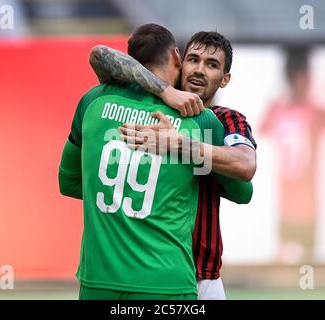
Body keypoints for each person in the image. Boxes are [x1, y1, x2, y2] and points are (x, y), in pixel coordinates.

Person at [59, 24, 253, 300]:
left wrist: (179, 146)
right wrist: (165, 91)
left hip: (201, 274)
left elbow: (245, 175)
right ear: (179, 60)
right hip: (171, 275)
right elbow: (101, 56)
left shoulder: (220, 120)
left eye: (211, 64)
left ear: (225, 78)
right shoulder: (195, 120)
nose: (199, 69)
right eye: (193, 60)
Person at [260, 47, 325, 264]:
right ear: (298, 78)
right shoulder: (307, 110)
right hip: (289, 201)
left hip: (307, 202)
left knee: (307, 262)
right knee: (286, 262)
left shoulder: (300, 109)